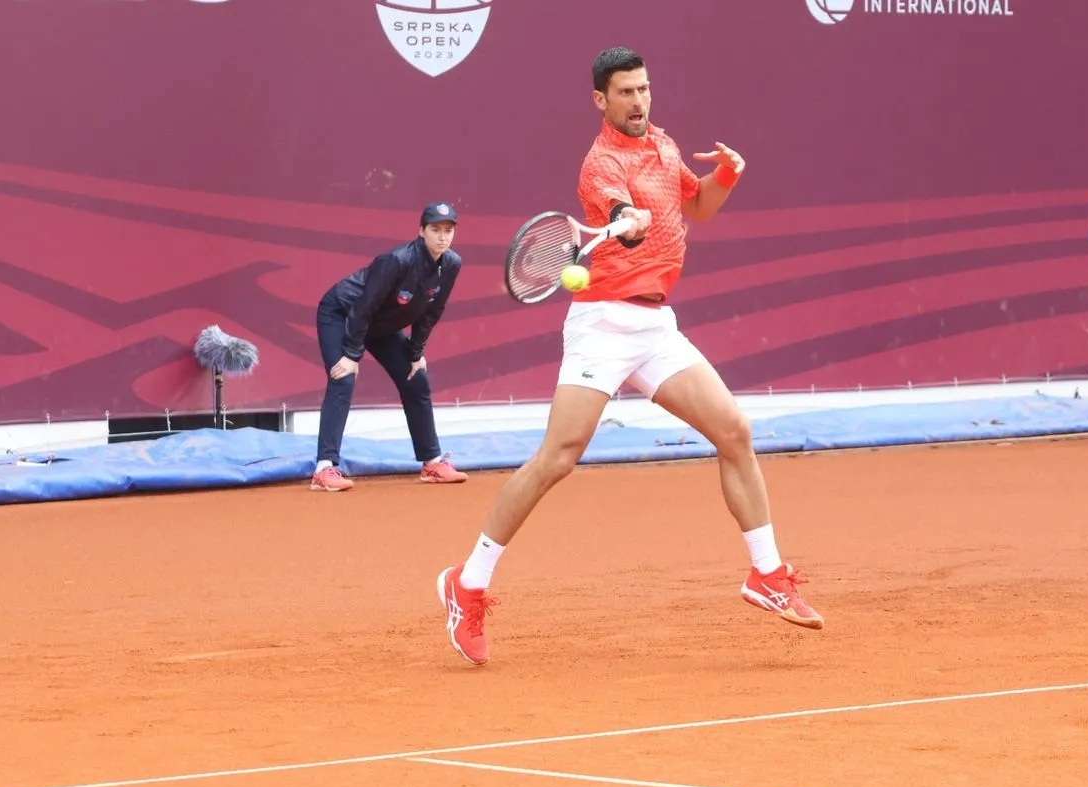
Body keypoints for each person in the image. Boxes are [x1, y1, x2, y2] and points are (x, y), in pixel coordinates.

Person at [434, 47, 823, 666]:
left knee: (735, 431)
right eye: (625, 93)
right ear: (601, 100)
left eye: (644, 90)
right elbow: (618, 209)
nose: (638, 102)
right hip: (603, 326)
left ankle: (766, 575)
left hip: (655, 327)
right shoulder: (599, 163)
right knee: (557, 458)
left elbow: (695, 207)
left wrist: (725, 176)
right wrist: (625, 218)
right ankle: (469, 581)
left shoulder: (666, 147)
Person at [309, 202, 469, 491]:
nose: (442, 237)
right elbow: (363, 307)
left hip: (380, 325)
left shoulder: (452, 264)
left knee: (415, 379)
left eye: (448, 231)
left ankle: (432, 463)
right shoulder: (397, 260)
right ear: (421, 231)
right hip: (343, 313)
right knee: (342, 377)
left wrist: (415, 353)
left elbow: (431, 311)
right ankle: (324, 468)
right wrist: (351, 354)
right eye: (435, 230)